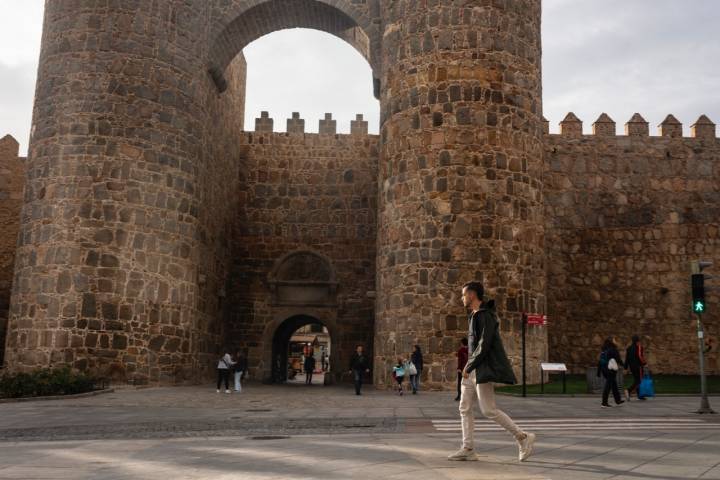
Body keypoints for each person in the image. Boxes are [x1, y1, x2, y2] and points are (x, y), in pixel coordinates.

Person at [448, 281, 536, 463]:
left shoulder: (485, 316)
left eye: (463, 295)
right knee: (464, 408)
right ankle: (468, 448)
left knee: (488, 410)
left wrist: (469, 366)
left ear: (472, 295)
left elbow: (484, 344)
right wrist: (469, 367)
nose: (461, 298)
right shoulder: (474, 315)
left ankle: (523, 437)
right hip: (472, 370)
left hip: (480, 370)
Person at [597, 337, 625, 407]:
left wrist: (599, 372)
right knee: (608, 386)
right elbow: (618, 359)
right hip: (610, 370)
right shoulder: (613, 349)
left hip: (604, 370)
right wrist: (624, 366)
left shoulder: (604, 350)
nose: (615, 341)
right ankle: (604, 403)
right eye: (614, 340)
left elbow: (600, 361)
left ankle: (618, 400)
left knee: (613, 384)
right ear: (611, 342)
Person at [624, 335, 647, 401]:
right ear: (638, 341)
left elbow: (627, 359)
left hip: (632, 367)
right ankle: (628, 390)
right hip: (638, 366)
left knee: (636, 379)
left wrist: (625, 368)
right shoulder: (639, 347)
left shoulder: (629, 348)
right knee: (639, 380)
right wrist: (645, 363)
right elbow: (640, 356)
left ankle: (639, 395)